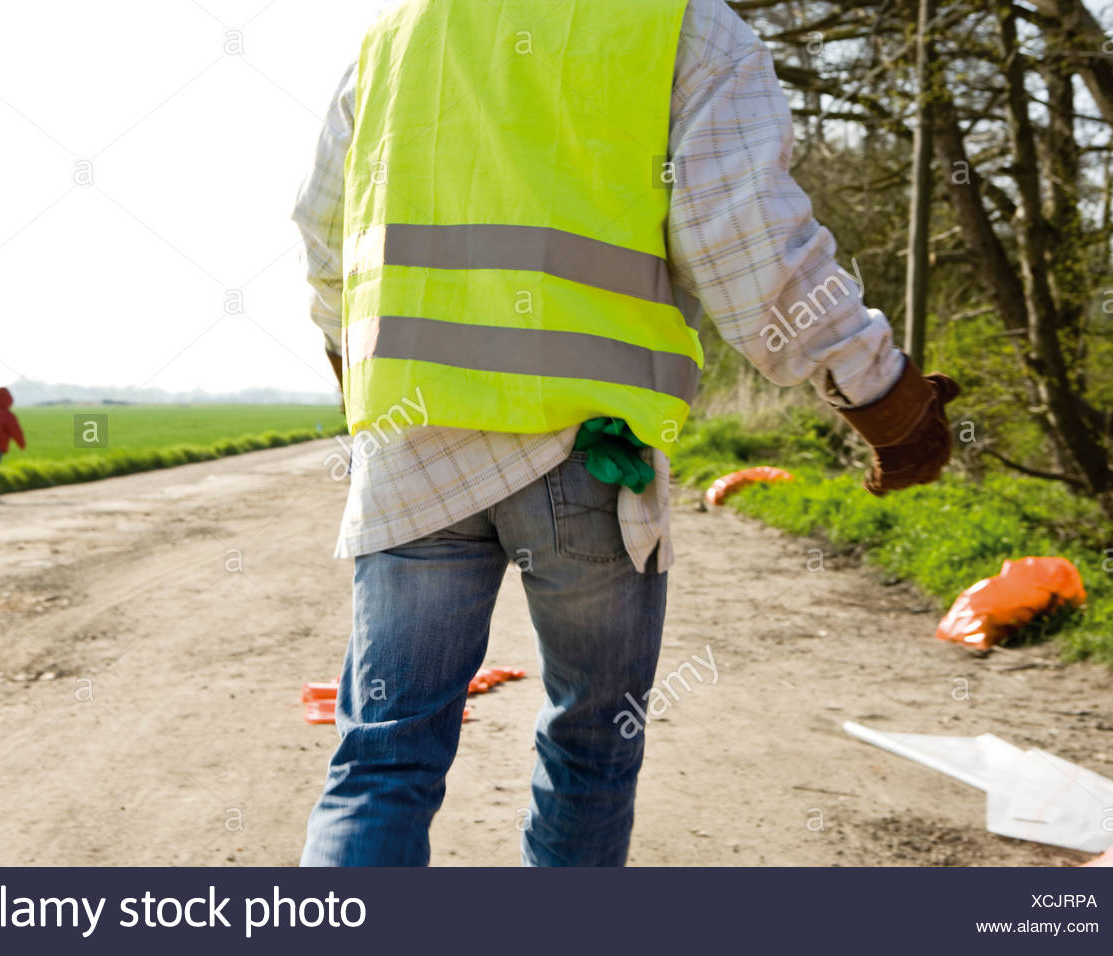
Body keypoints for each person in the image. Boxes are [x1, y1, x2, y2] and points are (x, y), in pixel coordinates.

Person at [292, 0, 960, 866]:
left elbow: (324, 232)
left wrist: (359, 371)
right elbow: (747, 243)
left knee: (383, 760)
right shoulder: (681, 25)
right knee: (590, 750)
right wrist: (879, 391)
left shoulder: (399, 33)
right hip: (586, 451)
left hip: (413, 450)